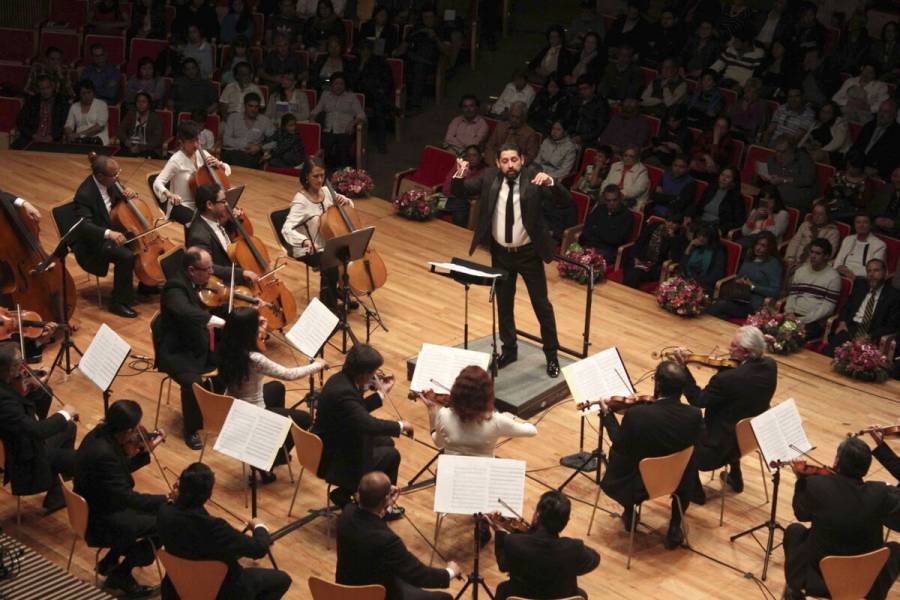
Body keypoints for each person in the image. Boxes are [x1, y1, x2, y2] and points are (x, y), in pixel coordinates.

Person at [451, 143, 571, 378]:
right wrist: (460, 173)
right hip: (501, 255)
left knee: (541, 305)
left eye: (514, 160)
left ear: (522, 160)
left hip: (528, 254)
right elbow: (460, 191)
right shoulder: (489, 177)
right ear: (498, 163)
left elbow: (564, 201)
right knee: (504, 304)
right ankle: (509, 349)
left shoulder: (534, 178)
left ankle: (551, 355)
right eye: (505, 161)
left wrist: (552, 182)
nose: (510, 165)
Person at [600, 360, 704, 549]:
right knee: (689, 460)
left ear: (658, 384)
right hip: (677, 479)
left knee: (619, 456)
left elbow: (618, 442)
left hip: (640, 485)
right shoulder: (694, 415)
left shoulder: (638, 415)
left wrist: (607, 415)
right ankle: (675, 526)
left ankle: (630, 511)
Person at [782, 437, 900, 600]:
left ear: (837, 461)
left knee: (794, 531)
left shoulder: (815, 485)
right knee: (895, 549)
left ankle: (796, 590)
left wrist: (800, 478)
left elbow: (801, 514)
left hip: (821, 579)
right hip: (865, 580)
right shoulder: (881, 493)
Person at [218, 308, 326, 481]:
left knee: (277, 388)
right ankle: (270, 459)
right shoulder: (254, 359)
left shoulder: (227, 347)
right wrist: (317, 365)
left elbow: (255, 343)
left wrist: (262, 328)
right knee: (304, 419)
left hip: (232, 405)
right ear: (249, 331)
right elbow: (288, 374)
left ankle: (271, 441)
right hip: (251, 411)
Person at [158, 462, 291, 600]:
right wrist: (260, 527)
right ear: (208, 496)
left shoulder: (164, 512)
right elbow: (259, 549)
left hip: (177, 587)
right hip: (218, 590)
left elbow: (190, 517)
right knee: (282, 580)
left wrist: (178, 500)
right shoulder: (215, 528)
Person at [74, 400, 166, 598]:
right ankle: (121, 574)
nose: (137, 434)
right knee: (165, 522)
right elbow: (127, 498)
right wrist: (166, 500)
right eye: (135, 430)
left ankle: (109, 562)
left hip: (95, 503)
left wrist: (145, 453)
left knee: (154, 512)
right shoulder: (105, 454)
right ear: (128, 430)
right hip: (100, 519)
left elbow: (117, 471)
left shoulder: (98, 435)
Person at [312, 344, 413, 512]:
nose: (376, 376)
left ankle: (348, 491)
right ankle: (381, 507)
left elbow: (357, 411)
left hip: (338, 439)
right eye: (373, 372)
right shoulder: (344, 392)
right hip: (333, 457)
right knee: (392, 455)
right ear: (363, 373)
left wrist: (381, 392)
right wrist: (401, 425)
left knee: (386, 442)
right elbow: (369, 424)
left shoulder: (341, 379)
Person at [677, 326, 777, 492]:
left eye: (733, 346)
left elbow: (698, 400)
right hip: (748, 439)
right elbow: (741, 381)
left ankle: (695, 492)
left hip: (715, 450)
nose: (729, 349)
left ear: (746, 352)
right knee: (735, 414)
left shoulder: (727, 379)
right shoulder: (770, 366)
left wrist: (682, 369)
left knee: (677, 431)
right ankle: (735, 476)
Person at [336, 471, 457, 600]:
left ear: (359, 493)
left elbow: (370, 519)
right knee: (445, 598)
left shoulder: (347, 513)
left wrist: (386, 504)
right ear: (385, 499)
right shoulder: (387, 541)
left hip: (345, 591)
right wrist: (449, 572)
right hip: (375, 595)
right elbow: (418, 575)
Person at [154, 247, 225, 449]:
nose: (211, 273)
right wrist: (212, 320)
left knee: (232, 358)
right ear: (192, 270)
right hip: (178, 351)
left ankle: (213, 404)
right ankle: (191, 429)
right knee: (193, 383)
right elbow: (185, 311)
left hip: (198, 341)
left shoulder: (198, 283)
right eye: (207, 269)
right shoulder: (174, 288)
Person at [72, 155, 153, 318]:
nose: (117, 178)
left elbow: (122, 202)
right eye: (114, 175)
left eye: (118, 173)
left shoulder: (111, 182)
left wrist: (132, 193)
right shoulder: (85, 194)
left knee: (139, 244)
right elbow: (84, 226)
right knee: (126, 256)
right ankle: (118, 302)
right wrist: (109, 234)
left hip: (115, 230)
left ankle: (146, 284)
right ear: (100, 176)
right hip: (94, 241)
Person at [0, 342, 77, 512]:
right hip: (26, 458)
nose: (24, 365)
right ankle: (52, 477)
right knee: (79, 459)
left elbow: (33, 409)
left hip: (29, 441)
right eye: (19, 362)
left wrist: (35, 387)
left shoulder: (8, 384)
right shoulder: (4, 402)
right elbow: (37, 430)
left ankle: (57, 494)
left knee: (69, 427)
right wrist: (65, 413)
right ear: (9, 370)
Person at [492, 490, 600, 600]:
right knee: (581, 594)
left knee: (502, 588)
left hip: (521, 595)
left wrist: (500, 530)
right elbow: (595, 559)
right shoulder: (574, 548)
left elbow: (503, 566)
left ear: (537, 515)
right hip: (560, 595)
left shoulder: (513, 542)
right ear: (565, 522)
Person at [281, 156, 354, 310]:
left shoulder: (327, 191)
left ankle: (339, 292)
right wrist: (304, 241)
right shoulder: (301, 201)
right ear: (306, 177)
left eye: (322, 175)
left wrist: (346, 202)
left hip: (327, 242)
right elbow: (286, 229)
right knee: (330, 265)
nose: (320, 180)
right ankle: (329, 309)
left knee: (349, 251)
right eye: (315, 176)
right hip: (308, 247)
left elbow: (350, 206)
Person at [421, 365, 536, 458]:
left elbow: (438, 443)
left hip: (453, 471)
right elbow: (532, 431)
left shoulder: (444, 414)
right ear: (487, 394)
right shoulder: (497, 420)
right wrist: (512, 417)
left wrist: (432, 411)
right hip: (482, 473)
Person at [153, 120, 232, 225]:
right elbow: (157, 182)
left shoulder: (202, 153)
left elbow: (227, 170)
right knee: (201, 223)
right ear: (182, 142)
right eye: (191, 141)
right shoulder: (176, 160)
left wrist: (219, 164)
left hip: (201, 205)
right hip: (181, 204)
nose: (196, 145)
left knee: (225, 214)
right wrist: (170, 194)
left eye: (197, 140)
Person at [185, 183, 258, 286]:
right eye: (223, 201)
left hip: (233, 269)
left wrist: (235, 220)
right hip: (223, 282)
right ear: (209, 205)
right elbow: (210, 267)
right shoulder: (199, 235)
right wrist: (241, 273)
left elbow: (228, 245)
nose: (227, 204)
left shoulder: (216, 220)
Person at [826, 258, 900, 356]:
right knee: (828, 353)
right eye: (869, 271)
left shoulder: (894, 296)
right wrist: (842, 322)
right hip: (851, 329)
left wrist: (869, 336)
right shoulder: (860, 287)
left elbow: (891, 326)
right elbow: (846, 307)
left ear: (885, 273)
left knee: (857, 360)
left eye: (876, 270)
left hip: (872, 334)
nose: (871, 274)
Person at [708, 232, 783, 320]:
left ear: (769, 248)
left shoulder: (773, 264)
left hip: (753, 304)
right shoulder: (750, 256)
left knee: (721, 306)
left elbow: (775, 291)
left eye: (763, 246)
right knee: (719, 311)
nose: (758, 248)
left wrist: (753, 287)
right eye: (757, 244)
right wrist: (739, 280)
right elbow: (739, 276)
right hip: (738, 296)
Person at [784, 238, 842, 340]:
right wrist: (790, 312)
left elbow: (827, 308)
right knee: (773, 333)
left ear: (826, 256)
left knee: (792, 339)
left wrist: (802, 320)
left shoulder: (834, 277)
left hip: (814, 322)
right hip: (793, 316)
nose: (813, 256)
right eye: (811, 252)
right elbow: (792, 296)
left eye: (818, 253)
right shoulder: (801, 271)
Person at [310, 72, 366, 168]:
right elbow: (315, 111)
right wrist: (312, 119)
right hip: (328, 129)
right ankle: (323, 170)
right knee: (324, 146)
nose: (339, 86)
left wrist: (352, 123)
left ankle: (344, 171)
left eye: (341, 84)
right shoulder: (325, 95)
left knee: (343, 148)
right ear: (331, 85)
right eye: (336, 84)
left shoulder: (351, 97)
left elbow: (362, 115)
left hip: (345, 130)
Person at [622, 212, 688, 289]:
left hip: (655, 267)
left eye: (674, 223)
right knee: (631, 269)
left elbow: (675, 258)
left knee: (634, 274)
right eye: (668, 221)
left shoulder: (680, 238)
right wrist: (636, 257)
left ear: (679, 225)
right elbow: (639, 242)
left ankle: (625, 292)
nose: (670, 224)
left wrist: (672, 239)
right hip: (641, 259)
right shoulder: (654, 226)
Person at [355, 38, 395, 154]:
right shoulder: (354, 62)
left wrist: (382, 90)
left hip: (376, 96)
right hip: (358, 96)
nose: (365, 52)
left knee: (379, 106)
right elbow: (351, 82)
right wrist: (361, 66)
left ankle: (381, 143)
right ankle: (391, 107)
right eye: (363, 50)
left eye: (367, 49)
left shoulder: (380, 62)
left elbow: (388, 81)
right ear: (359, 51)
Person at [577, 184, 633, 264]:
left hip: (608, 251)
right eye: (608, 200)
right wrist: (605, 233)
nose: (611, 203)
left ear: (620, 198)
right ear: (604, 200)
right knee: (572, 257)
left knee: (586, 263)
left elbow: (616, 240)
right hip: (590, 245)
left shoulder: (627, 215)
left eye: (615, 200)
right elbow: (587, 229)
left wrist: (596, 230)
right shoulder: (600, 209)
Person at [848, 99, 900, 179]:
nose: (881, 114)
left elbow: (894, 160)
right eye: (880, 111)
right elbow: (856, 146)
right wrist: (850, 161)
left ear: (895, 114)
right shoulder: (869, 125)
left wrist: (878, 170)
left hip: (876, 172)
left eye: (886, 112)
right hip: (857, 165)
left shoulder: (897, 134)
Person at [13, 74, 68, 148]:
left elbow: (64, 123)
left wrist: (52, 136)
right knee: (15, 148)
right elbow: (20, 121)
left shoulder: (61, 101)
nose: (45, 91)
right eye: (42, 89)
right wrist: (33, 135)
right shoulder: (32, 101)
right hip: (32, 139)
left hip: (53, 139)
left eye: (48, 88)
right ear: (38, 89)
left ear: (52, 87)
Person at [785, 201, 840, 274]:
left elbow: (828, 254)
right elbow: (794, 242)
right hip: (795, 261)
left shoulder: (833, 232)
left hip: (813, 266)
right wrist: (790, 259)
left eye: (821, 214)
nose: (817, 216)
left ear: (827, 216)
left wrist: (803, 266)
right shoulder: (805, 225)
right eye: (815, 213)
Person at [222, 92, 276, 168]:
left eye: (256, 107)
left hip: (253, 155)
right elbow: (226, 140)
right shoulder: (233, 118)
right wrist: (245, 145)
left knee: (250, 160)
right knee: (233, 156)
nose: (253, 109)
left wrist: (260, 147)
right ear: (244, 106)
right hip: (233, 153)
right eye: (250, 106)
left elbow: (274, 140)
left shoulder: (265, 121)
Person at [688, 166, 745, 234]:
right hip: (700, 221)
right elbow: (699, 206)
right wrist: (689, 215)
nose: (723, 179)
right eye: (722, 175)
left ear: (734, 182)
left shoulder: (736, 198)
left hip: (715, 227)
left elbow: (739, 222)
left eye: (728, 177)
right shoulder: (711, 188)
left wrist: (722, 229)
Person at [440, 144, 485, 227]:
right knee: (436, 206)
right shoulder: (460, 166)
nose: (471, 158)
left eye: (474, 155)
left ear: (480, 157)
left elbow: (476, 192)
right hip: (449, 197)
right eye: (468, 156)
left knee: (460, 210)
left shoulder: (484, 172)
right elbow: (447, 184)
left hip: (466, 202)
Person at [833, 213, 887, 279]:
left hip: (862, 278)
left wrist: (850, 272)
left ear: (870, 225)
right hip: (840, 274)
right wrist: (839, 268)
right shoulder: (848, 239)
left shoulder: (879, 245)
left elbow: (874, 270)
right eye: (858, 222)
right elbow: (838, 261)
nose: (861, 225)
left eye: (865, 222)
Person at [679, 222, 726, 294]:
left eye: (705, 236)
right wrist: (689, 247)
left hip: (704, 285)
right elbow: (682, 265)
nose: (701, 238)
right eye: (699, 235)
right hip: (688, 279)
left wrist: (697, 282)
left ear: (711, 237)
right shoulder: (695, 245)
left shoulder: (718, 251)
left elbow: (716, 274)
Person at [565, 76, 609, 150]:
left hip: (589, 140)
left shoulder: (601, 104)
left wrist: (582, 137)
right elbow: (569, 119)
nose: (582, 92)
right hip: (572, 135)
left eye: (585, 88)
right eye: (580, 89)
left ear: (593, 87)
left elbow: (599, 128)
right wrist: (569, 132)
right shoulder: (576, 100)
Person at [601, 145, 650, 211]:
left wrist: (619, 194)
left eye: (631, 156)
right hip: (612, 197)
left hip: (630, 201)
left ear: (637, 158)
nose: (627, 158)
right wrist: (604, 192)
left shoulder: (642, 170)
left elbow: (638, 189)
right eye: (625, 155)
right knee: (602, 204)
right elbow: (606, 181)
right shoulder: (615, 166)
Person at [689, 115, 736, 182]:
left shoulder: (729, 143)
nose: (719, 129)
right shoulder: (706, 135)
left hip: (714, 172)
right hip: (699, 165)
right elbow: (694, 150)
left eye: (722, 127)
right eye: (717, 125)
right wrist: (706, 156)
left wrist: (715, 142)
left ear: (727, 130)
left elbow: (717, 160)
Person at [116, 92, 163, 158]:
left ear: (149, 104)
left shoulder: (155, 118)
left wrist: (141, 148)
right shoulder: (131, 114)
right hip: (131, 147)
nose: (140, 104)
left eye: (144, 102)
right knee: (117, 156)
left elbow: (157, 140)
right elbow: (120, 130)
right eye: (138, 101)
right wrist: (126, 140)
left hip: (149, 149)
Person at [64, 80, 109, 145]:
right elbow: (68, 126)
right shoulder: (74, 106)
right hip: (79, 143)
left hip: (99, 142)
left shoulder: (101, 105)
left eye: (89, 92)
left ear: (93, 92)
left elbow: (99, 127)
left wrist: (79, 135)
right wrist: (70, 135)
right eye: (83, 93)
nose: (87, 96)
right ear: (79, 94)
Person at [869, 165, 900, 237]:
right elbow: (871, 208)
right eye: (895, 176)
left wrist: (895, 224)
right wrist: (875, 219)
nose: (898, 180)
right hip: (876, 228)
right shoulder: (886, 188)